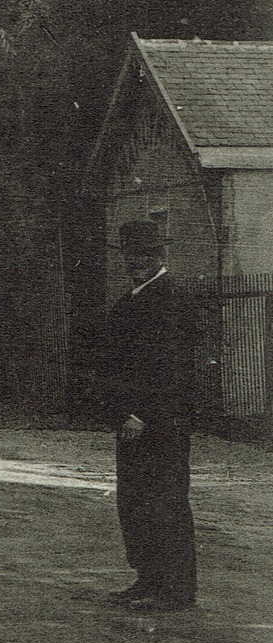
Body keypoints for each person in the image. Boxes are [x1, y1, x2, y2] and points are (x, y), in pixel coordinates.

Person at [100, 219, 197, 612]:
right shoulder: (131, 300)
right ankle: (148, 578)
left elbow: (170, 367)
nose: (137, 262)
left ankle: (177, 590)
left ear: (160, 255)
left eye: (146, 254)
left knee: (166, 502)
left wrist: (141, 414)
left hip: (162, 421)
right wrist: (122, 413)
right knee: (134, 501)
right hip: (131, 422)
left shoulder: (170, 297)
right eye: (131, 255)